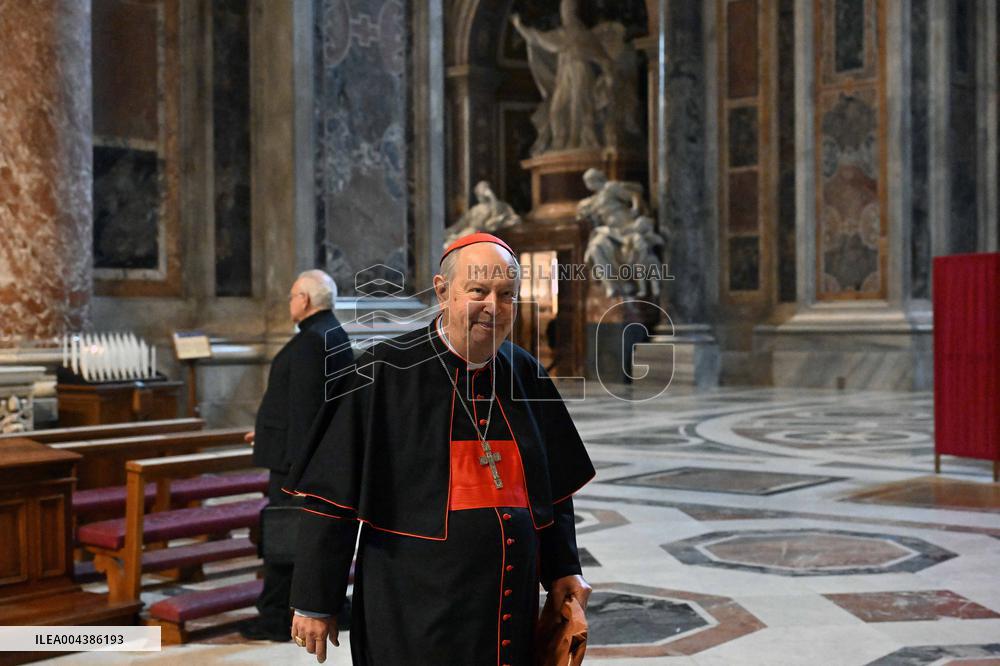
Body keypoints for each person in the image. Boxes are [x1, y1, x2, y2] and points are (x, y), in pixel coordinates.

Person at [285, 233, 595, 665]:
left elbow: (554, 489)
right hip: (414, 612)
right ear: (443, 291)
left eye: (507, 294)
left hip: (508, 615)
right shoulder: (383, 371)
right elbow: (330, 496)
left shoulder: (524, 372)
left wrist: (564, 568)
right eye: (478, 291)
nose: (494, 307)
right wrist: (316, 602)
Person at [240, 269, 354, 641]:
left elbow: (307, 411)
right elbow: (312, 404)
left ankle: (275, 616)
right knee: (302, 539)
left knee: (283, 537)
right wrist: (269, 432)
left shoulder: (310, 341)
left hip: (296, 465)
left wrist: (297, 472)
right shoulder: (333, 333)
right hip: (309, 455)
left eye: (292, 296)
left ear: (304, 300)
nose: (290, 302)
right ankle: (308, 607)